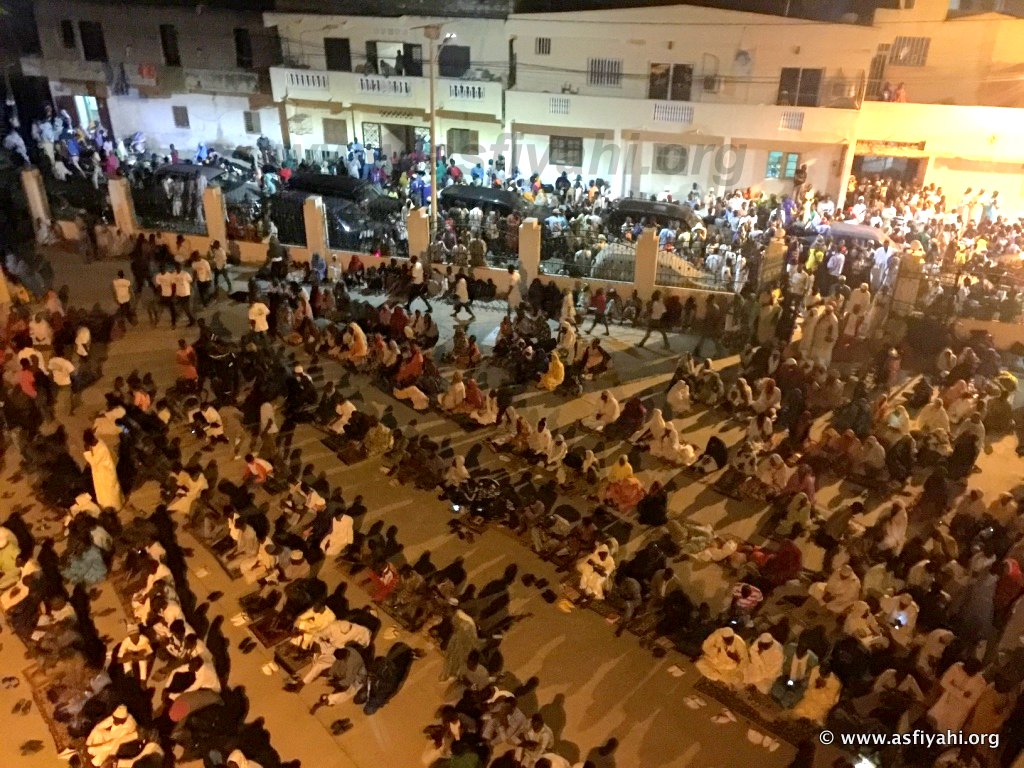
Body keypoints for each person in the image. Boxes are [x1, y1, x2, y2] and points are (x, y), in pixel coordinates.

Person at [83, 429, 123, 510]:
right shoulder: (98, 443)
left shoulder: (101, 449)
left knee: (110, 492)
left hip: (106, 474)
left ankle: (115, 508)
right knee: (106, 493)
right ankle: (109, 507)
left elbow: (93, 462)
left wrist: (87, 452)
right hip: (102, 473)